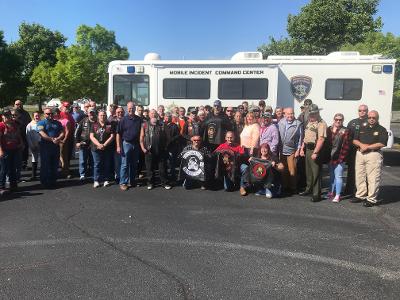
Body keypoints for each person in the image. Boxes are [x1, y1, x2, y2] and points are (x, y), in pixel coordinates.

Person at [352, 110, 388, 207]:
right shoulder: (362, 127)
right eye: (370, 117)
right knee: (360, 176)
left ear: (377, 118)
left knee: (373, 178)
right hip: (360, 154)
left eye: (374, 118)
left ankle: (371, 199)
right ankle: (360, 195)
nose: (371, 119)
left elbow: (382, 143)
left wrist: (367, 147)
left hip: (373, 155)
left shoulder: (382, 129)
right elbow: (355, 140)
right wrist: (361, 145)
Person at [299, 104, 327, 202]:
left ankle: (316, 194)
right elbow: (306, 137)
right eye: (310, 114)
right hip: (308, 149)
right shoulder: (309, 122)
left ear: (317, 113)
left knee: (316, 173)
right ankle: (308, 189)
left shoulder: (321, 123)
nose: (311, 116)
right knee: (309, 172)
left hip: (315, 150)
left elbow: (321, 139)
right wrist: (302, 148)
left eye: (313, 114)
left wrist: (315, 152)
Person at [140, 110, 172, 190]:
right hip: (149, 151)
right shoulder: (144, 125)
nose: (153, 115)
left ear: (157, 115)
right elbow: (141, 138)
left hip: (161, 150)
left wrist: (165, 147)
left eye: (155, 113)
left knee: (162, 168)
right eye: (151, 113)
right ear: (149, 115)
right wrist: (143, 148)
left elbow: (168, 138)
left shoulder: (163, 124)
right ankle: (150, 183)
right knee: (149, 168)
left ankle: (165, 183)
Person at [116, 101, 142, 191]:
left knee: (134, 164)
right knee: (125, 164)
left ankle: (132, 181)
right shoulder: (123, 120)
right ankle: (123, 182)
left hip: (136, 145)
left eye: (133, 108)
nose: (131, 109)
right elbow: (118, 134)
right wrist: (118, 146)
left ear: (135, 109)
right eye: (130, 108)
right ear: (127, 109)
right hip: (126, 144)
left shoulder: (139, 119)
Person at [37, 108, 64, 188]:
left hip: (55, 147)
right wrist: (51, 139)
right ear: (44, 114)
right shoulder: (41, 123)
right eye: (48, 114)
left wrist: (58, 138)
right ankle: (44, 181)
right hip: (45, 147)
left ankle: (53, 180)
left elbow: (62, 132)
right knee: (45, 164)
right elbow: (41, 133)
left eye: (51, 113)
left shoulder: (58, 123)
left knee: (55, 164)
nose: (50, 115)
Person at [278, 107, 302, 195]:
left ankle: (293, 188)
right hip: (282, 150)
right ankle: (285, 186)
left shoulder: (298, 124)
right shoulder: (281, 122)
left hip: (292, 150)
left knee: (292, 170)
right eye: (288, 114)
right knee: (283, 170)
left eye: (292, 114)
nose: (290, 116)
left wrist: (298, 150)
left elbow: (300, 139)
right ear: (285, 114)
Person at [326, 113, 350, 203]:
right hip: (330, 157)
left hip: (340, 157)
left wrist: (341, 158)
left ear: (343, 121)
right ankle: (331, 192)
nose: (338, 121)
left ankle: (338, 195)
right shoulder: (329, 129)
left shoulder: (346, 130)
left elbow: (346, 146)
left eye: (340, 120)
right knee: (332, 176)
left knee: (338, 176)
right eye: (336, 119)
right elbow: (327, 144)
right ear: (334, 120)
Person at [345, 104, 368, 197]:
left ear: (367, 111)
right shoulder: (352, 122)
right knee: (351, 171)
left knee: (362, 173)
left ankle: (361, 192)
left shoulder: (370, 122)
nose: (362, 112)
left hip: (363, 151)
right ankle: (349, 190)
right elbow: (347, 137)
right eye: (360, 110)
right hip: (352, 151)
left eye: (364, 110)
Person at [90, 110, 116, 188]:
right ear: (98, 116)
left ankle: (106, 180)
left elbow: (112, 136)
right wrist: (98, 144)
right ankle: (96, 180)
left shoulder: (109, 125)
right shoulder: (94, 125)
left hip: (107, 147)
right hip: (96, 148)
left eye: (104, 115)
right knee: (97, 164)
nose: (103, 116)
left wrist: (104, 144)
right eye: (101, 115)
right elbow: (91, 136)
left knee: (106, 164)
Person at [0, 109, 23, 193]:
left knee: (13, 168)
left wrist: (21, 142)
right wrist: (1, 150)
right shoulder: (1, 126)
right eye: (5, 115)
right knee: (4, 169)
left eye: (8, 115)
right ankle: (1, 187)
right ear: (2, 116)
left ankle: (13, 185)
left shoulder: (14, 125)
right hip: (5, 150)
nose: (7, 117)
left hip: (15, 149)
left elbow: (18, 134)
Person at [75, 108, 96, 181]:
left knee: (93, 160)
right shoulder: (83, 121)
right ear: (87, 113)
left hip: (94, 144)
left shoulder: (97, 121)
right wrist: (77, 142)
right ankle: (82, 174)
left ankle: (94, 174)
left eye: (93, 112)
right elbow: (76, 132)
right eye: (90, 112)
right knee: (82, 160)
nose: (91, 114)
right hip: (83, 144)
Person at [14, 100, 31, 170]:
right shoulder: (13, 113)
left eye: (20, 104)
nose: (19, 105)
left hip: (24, 134)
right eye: (17, 104)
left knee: (25, 149)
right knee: (16, 150)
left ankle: (24, 163)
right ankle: (17, 164)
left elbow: (30, 122)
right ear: (14, 105)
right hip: (15, 135)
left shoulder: (26, 113)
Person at [164, 112, 181, 182]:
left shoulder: (175, 126)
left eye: (169, 117)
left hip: (172, 146)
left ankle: (172, 176)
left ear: (171, 118)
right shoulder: (162, 125)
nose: (167, 118)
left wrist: (170, 140)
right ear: (164, 117)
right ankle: (165, 176)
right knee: (164, 162)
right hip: (164, 147)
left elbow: (178, 135)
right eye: (166, 117)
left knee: (172, 162)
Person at [26, 111, 42, 181]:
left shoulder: (42, 123)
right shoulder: (29, 125)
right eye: (36, 116)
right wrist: (31, 145)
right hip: (33, 145)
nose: (37, 117)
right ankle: (34, 175)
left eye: (38, 115)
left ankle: (43, 173)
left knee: (42, 159)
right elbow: (28, 136)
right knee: (34, 159)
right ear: (33, 116)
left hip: (41, 145)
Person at [114, 106, 125, 183]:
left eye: (121, 112)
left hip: (125, 143)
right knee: (117, 161)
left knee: (124, 162)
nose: (120, 113)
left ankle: (124, 176)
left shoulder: (126, 120)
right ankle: (118, 176)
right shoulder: (112, 122)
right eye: (118, 112)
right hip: (114, 144)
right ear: (115, 113)